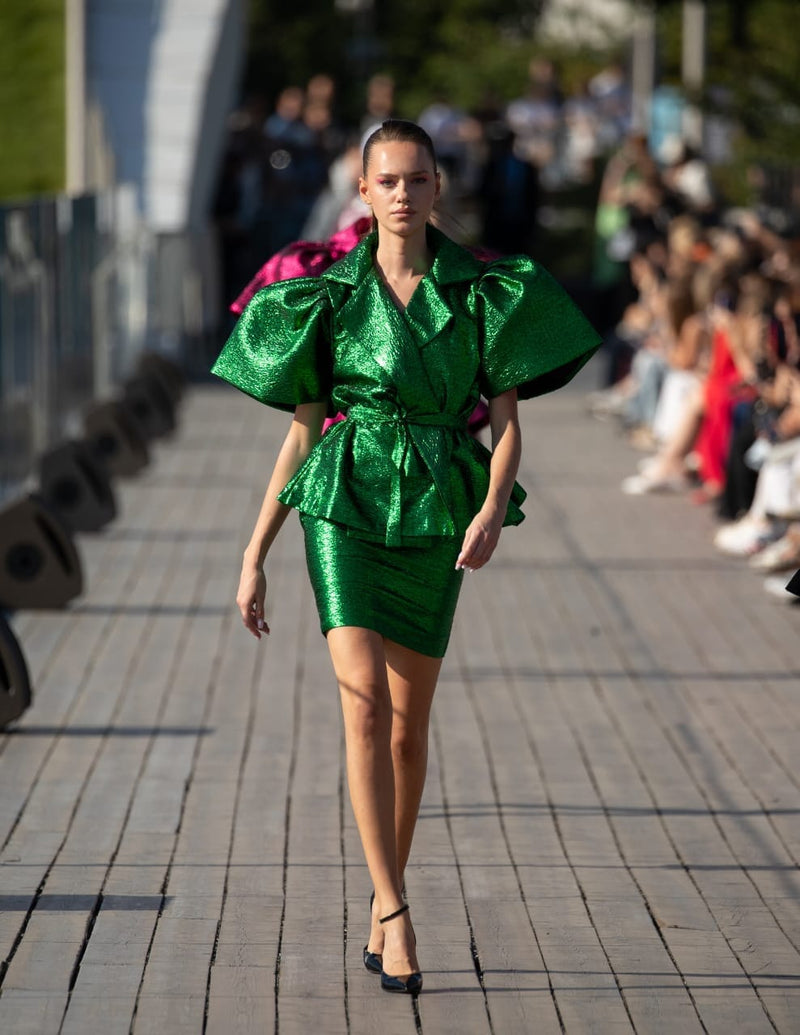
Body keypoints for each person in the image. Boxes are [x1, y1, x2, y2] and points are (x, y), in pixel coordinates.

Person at [211, 119, 600, 996]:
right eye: (386, 180)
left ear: (436, 188)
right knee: (360, 706)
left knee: (406, 728)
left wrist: (493, 506)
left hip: (435, 508)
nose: (401, 194)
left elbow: (508, 424)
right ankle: (393, 909)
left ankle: (383, 892)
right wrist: (254, 552)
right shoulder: (328, 296)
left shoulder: (484, 293)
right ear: (362, 191)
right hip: (343, 502)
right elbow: (302, 433)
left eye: (416, 179)